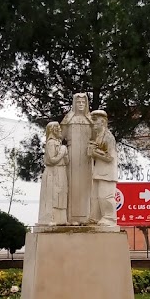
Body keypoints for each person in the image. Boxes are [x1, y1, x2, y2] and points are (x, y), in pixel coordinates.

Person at [60, 93, 93, 224]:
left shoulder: (89, 120)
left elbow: (97, 137)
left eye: (83, 102)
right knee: (72, 185)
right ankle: (72, 218)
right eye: (78, 102)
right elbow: (60, 136)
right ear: (74, 103)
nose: (80, 104)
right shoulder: (69, 119)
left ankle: (87, 217)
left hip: (86, 157)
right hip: (72, 156)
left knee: (87, 186)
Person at [88, 110, 118, 226]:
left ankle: (110, 218)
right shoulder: (98, 136)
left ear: (103, 122)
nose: (93, 124)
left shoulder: (108, 137)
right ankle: (95, 217)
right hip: (99, 171)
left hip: (107, 173)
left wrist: (94, 152)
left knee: (105, 196)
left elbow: (109, 157)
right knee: (95, 197)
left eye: (96, 121)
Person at [37, 122, 69, 225]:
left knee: (62, 194)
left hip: (62, 171)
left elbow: (67, 161)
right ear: (52, 130)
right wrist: (62, 151)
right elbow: (52, 160)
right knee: (52, 195)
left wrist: (65, 154)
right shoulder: (50, 143)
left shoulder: (59, 143)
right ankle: (50, 218)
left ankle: (61, 219)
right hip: (53, 171)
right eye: (57, 127)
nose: (60, 129)